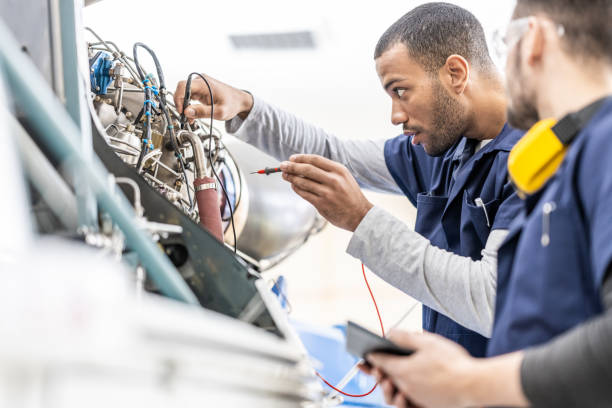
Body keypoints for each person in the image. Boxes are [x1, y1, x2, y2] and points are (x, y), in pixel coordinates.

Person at [174, 3, 524, 357]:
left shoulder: (537, 158)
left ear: (455, 73)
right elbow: (333, 153)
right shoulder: (448, 150)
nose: (395, 115)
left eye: (401, 91)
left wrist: (362, 219)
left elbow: (490, 300)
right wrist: (245, 107)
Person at [365, 0, 612, 406]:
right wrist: (457, 389)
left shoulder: (604, 146)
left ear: (532, 39)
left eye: (503, 43)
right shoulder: (568, 161)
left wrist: (466, 384)